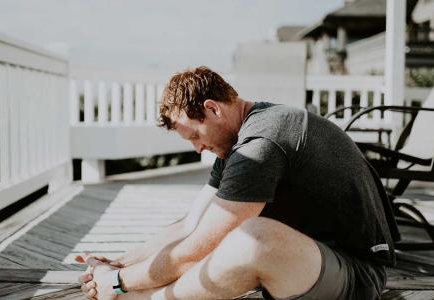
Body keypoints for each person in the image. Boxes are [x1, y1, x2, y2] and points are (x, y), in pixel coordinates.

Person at [77, 66, 398, 300]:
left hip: (357, 276)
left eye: (194, 136)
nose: (197, 148)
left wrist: (120, 283)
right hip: (313, 260)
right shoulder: (238, 141)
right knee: (223, 233)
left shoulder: (262, 141)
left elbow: (199, 247)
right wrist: (119, 262)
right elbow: (191, 225)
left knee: (250, 239)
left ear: (212, 108)